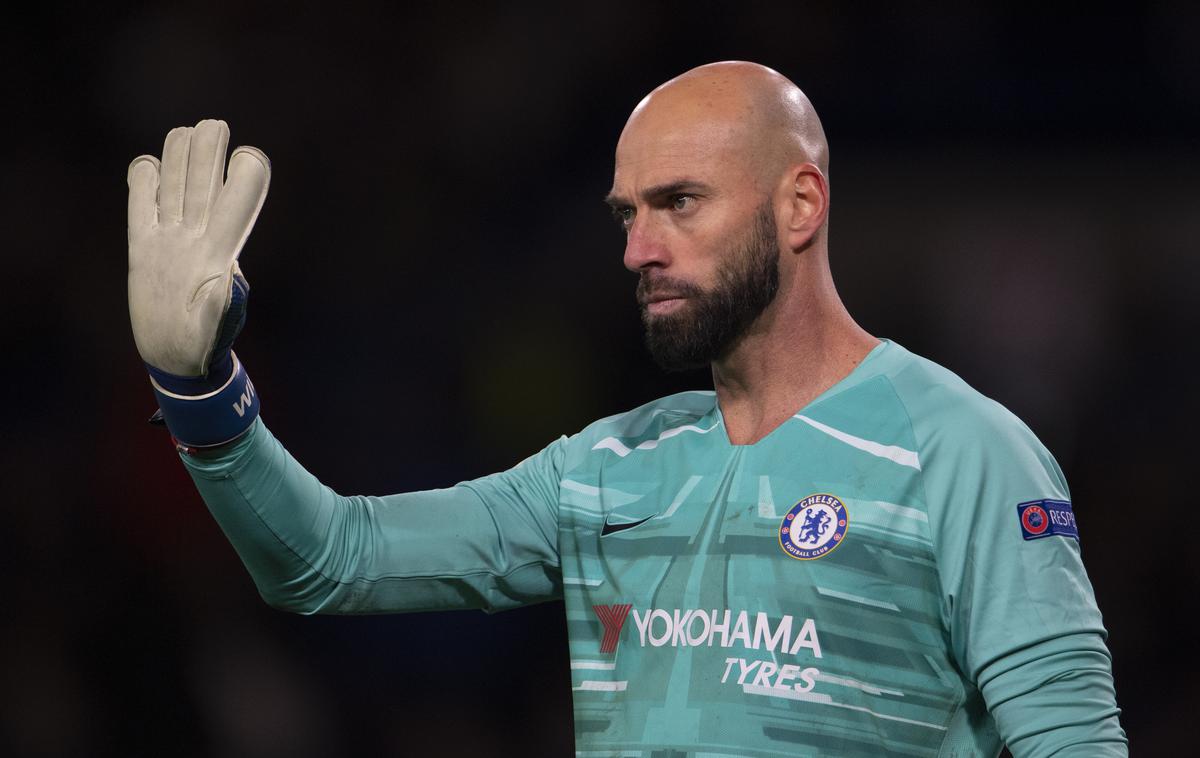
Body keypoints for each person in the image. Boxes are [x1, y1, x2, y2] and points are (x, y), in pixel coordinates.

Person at [126, 61, 1127, 756]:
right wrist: (202, 391)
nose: (638, 249)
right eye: (627, 213)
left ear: (800, 205)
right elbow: (330, 558)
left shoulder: (963, 451)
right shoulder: (610, 469)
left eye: (678, 202)